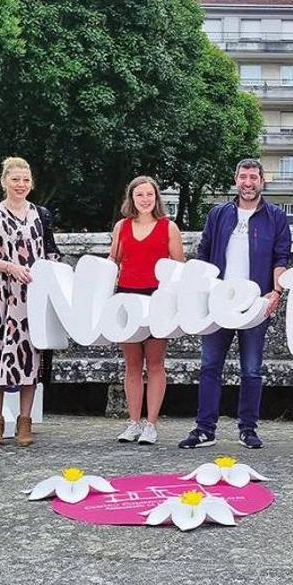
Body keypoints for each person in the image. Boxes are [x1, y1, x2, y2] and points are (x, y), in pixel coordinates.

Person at [179, 159, 290, 450]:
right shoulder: (218, 214)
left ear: (262, 181)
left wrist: (276, 291)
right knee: (209, 366)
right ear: (236, 180)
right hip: (218, 302)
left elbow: (282, 258)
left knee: (252, 369)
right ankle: (205, 430)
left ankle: (248, 429)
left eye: (254, 177)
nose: (248, 182)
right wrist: (200, 294)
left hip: (255, 304)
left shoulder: (276, 217)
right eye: (243, 177)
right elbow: (203, 254)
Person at [0, 157, 61, 447]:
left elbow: (51, 252)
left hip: (31, 296)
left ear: (31, 183)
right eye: (15, 180)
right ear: (4, 182)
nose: (21, 185)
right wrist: (11, 267)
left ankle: (25, 421)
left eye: (25, 180)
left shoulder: (42, 215)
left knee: (30, 355)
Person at [109, 176, 184, 445]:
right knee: (131, 364)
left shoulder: (168, 227)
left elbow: (178, 265)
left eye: (149, 194)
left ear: (156, 198)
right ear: (132, 198)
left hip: (157, 298)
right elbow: (113, 261)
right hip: (126, 298)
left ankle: (151, 425)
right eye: (139, 195)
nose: (144, 199)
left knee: (154, 362)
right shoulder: (122, 226)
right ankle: (133, 423)